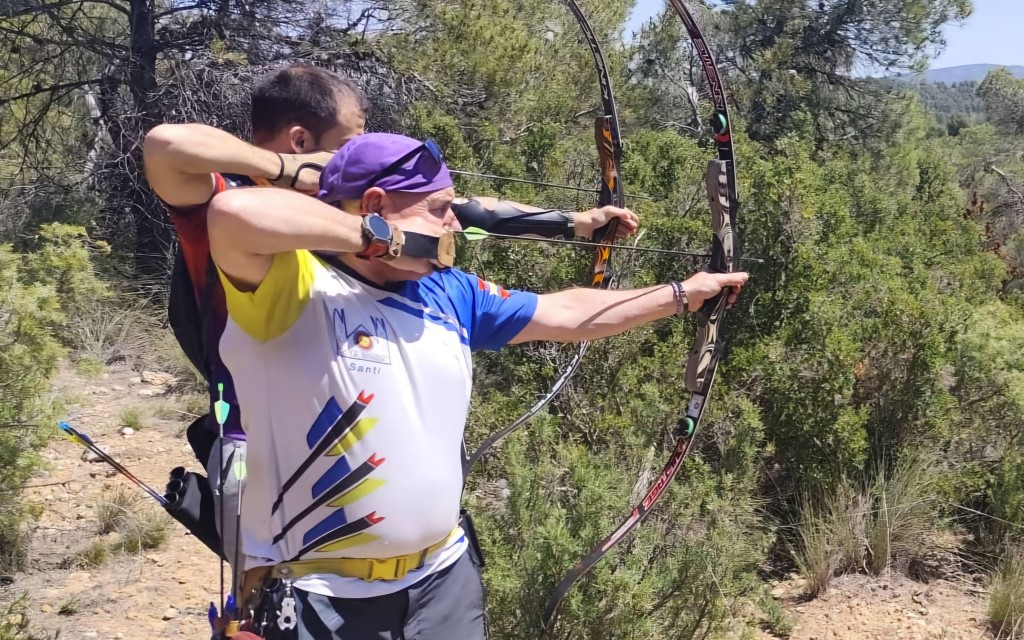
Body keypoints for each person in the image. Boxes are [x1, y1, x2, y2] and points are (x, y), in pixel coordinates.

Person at [204, 132, 748, 639]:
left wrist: (683, 292)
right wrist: (382, 240)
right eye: (439, 210)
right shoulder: (292, 286)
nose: (454, 226)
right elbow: (233, 212)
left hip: (443, 579)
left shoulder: (450, 292)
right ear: (373, 205)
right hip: (318, 594)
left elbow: (566, 311)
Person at [143, 62, 638, 592]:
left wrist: (569, 222)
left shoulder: (348, 209)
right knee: (280, 590)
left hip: (336, 439)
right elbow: (166, 145)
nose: (360, 149)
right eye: (351, 140)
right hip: (256, 441)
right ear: (302, 139)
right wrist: (291, 171)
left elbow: (467, 212)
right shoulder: (232, 201)